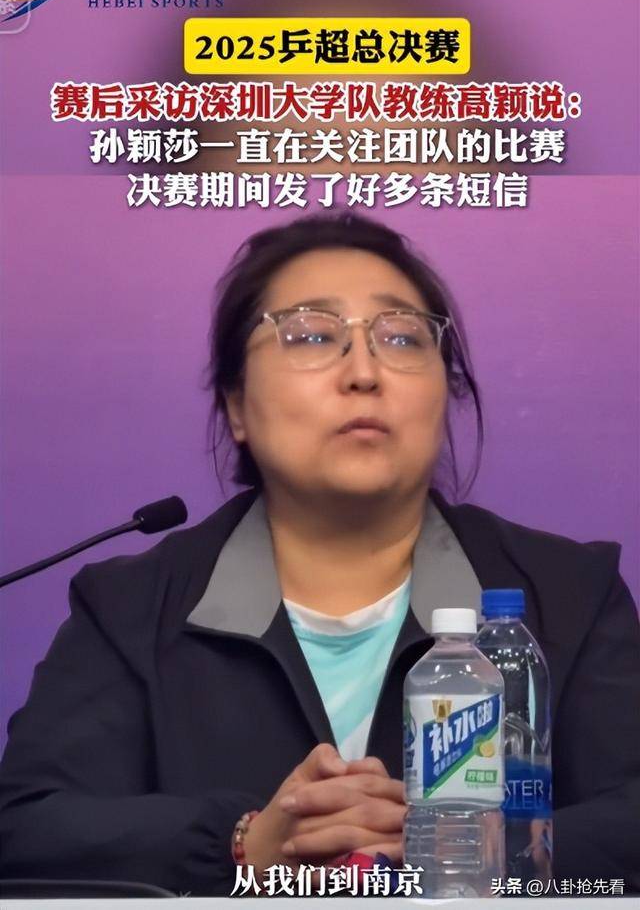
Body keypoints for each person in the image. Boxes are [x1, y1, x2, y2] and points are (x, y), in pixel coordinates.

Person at [0, 213, 638, 897]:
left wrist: (471, 847)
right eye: (310, 334)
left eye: (402, 337)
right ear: (236, 406)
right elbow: (26, 827)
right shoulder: (129, 609)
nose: (363, 372)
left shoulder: (568, 595)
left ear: (446, 395)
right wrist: (244, 844)